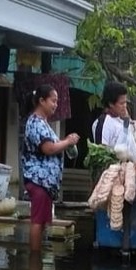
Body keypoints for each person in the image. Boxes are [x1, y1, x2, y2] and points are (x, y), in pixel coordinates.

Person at [21, 84, 80, 252]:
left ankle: (37, 262)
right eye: (53, 101)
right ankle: (34, 263)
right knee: (37, 222)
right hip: (38, 181)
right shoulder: (36, 123)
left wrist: (66, 142)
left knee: (42, 222)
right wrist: (68, 142)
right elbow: (49, 148)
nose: (55, 104)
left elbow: (53, 145)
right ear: (41, 101)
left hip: (45, 183)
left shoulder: (44, 123)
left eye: (57, 101)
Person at [91, 81, 136, 172]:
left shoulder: (122, 120)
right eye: (121, 103)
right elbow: (101, 155)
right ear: (111, 104)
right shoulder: (103, 123)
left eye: (125, 103)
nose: (125, 106)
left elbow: (130, 140)